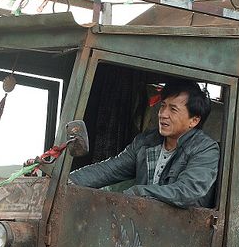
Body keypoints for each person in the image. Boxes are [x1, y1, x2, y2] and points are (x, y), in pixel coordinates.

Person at [69, 80, 219, 209]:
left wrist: (140, 192)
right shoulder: (146, 141)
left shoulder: (205, 149)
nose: (163, 114)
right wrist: (69, 181)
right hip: (144, 224)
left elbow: (188, 192)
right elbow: (111, 168)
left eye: (173, 109)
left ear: (194, 120)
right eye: (162, 106)